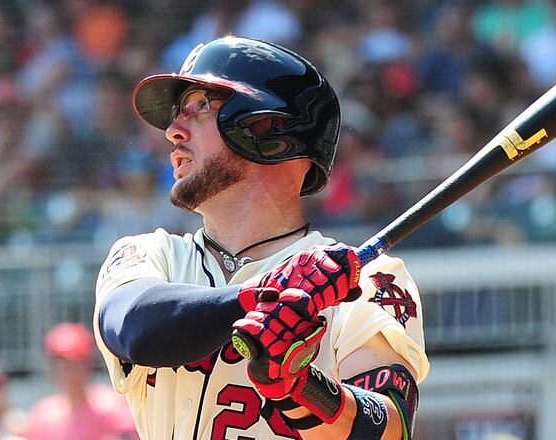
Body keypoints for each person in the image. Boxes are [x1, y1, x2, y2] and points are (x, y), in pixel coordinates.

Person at [93, 36, 429, 439]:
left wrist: (302, 385)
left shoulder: (365, 280)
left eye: (200, 106)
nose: (172, 131)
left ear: (266, 129)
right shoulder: (152, 254)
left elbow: (390, 427)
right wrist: (265, 295)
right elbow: (133, 327)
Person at [25, 323, 137, 440]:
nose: (71, 373)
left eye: (77, 364)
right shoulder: (43, 415)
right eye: (64, 365)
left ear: (89, 365)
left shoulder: (111, 406)